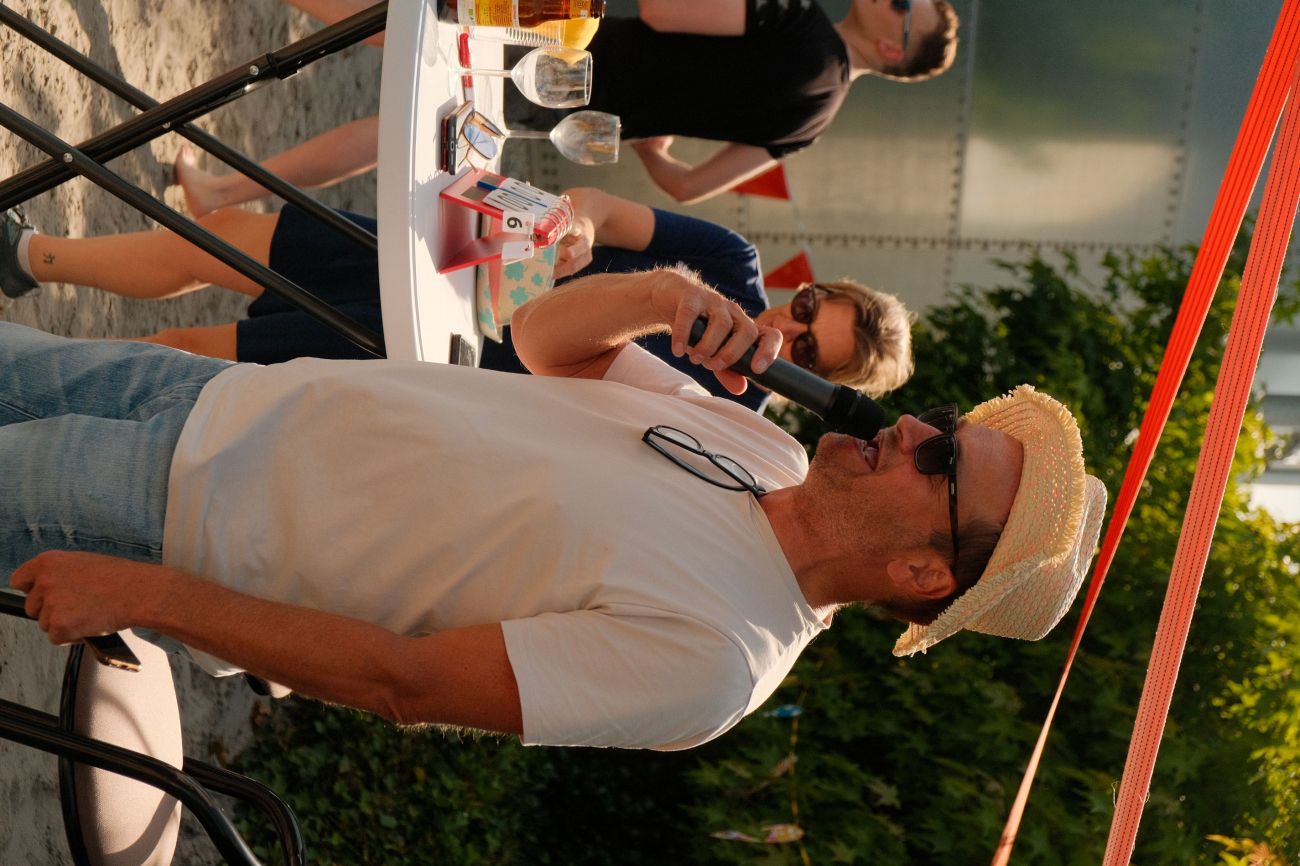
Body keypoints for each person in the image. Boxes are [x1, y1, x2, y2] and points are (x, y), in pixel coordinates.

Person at [5, 263, 1106, 750]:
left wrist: (148, 591)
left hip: (170, 515)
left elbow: (405, 679)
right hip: (220, 397)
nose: (911, 429)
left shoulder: (718, 658)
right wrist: (664, 298)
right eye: (946, 423)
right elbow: (543, 345)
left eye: (941, 463)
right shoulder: (762, 441)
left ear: (923, 574)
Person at [0, 189, 914, 411]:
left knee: (195, 353)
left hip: (441, 358)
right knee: (239, 234)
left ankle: (30, 378)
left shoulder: (722, 403)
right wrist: (581, 230)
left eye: (807, 351)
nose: (782, 327)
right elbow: (601, 207)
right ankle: (32, 257)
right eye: (807, 310)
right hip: (465, 261)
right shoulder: (729, 257)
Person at [171, 0, 961, 210]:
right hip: (582, 103)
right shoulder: (815, 119)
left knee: (405, 25)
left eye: (902, 6)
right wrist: (655, 139)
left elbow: (664, 11)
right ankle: (222, 191)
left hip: (577, 49)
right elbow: (684, 186)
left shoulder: (802, 27)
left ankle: (222, 191)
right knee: (408, 117)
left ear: (893, 48)